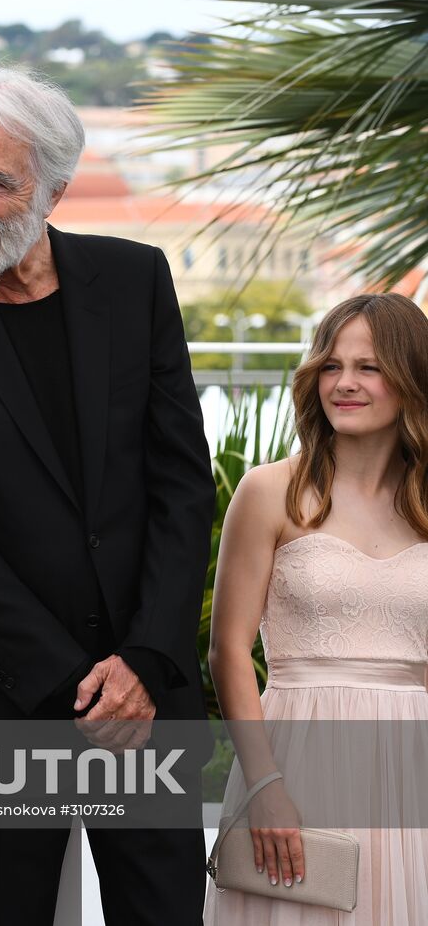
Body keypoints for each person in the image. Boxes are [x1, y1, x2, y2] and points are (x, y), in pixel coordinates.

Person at [0, 67, 214, 924]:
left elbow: (181, 478)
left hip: (145, 690)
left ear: (53, 187)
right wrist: (69, 681)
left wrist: (142, 662)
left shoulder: (134, 282)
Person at [205, 292, 428, 924]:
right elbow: (229, 652)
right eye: (331, 365)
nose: (346, 384)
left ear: (410, 379)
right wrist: (264, 785)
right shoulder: (270, 490)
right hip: (295, 752)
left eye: (369, 367)